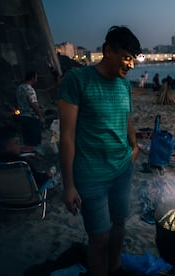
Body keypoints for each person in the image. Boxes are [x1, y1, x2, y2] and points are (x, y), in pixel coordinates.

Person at [58, 25, 141, 276]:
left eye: (134, 59)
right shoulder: (77, 80)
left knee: (119, 225)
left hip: (122, 170)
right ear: (107, 50)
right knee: (99, 237)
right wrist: (69, 185)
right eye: (126, 57)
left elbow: (126, 120)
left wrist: (134, 147)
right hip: (90, 175)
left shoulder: (124, 85)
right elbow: (67, 135)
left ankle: (114, 268)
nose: (131, 65)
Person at [15, 71, 45, 148]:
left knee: (27, 143)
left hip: (22, 117)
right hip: (32, 118)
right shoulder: (30, 89)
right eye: (36, 77)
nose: (36, 79)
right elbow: (33, 104)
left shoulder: (19, 88)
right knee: (35, 142)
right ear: (32, 78)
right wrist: (41, 116)